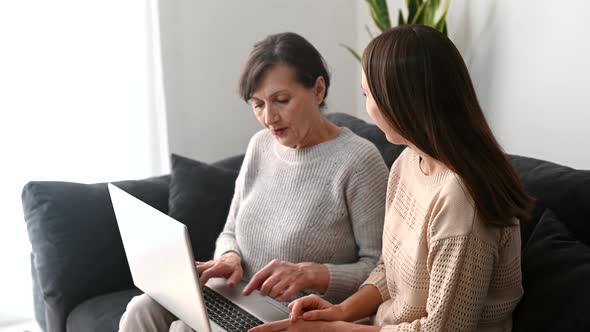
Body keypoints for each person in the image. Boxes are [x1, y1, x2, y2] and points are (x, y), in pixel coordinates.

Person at [251, 25, 534, 332]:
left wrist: (331, 330)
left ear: (404, 100)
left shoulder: (461, 202)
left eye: (368, 95)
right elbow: (390, 270)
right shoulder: (409, 163)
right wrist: (340, 312)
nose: (367, 107)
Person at [118, 32, 389, 332]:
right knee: (140, 309)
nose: (269, 118)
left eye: (281, 101)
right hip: (235, 293)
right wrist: (230, 257)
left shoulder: (359, 161)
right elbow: (230, 230)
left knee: (182, 330)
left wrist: (315, 274)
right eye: (257, 104)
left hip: (295, 313)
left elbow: (381, 267)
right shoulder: (260, 145)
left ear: (318, 90)